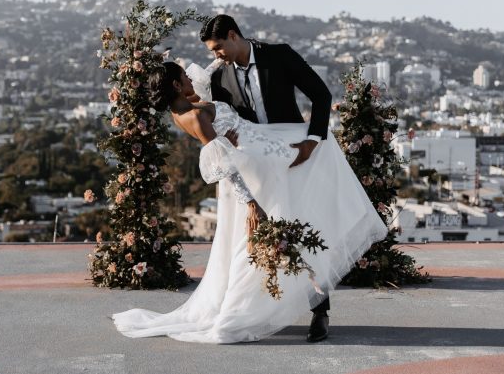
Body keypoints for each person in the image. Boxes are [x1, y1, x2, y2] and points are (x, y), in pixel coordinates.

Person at [110, 60, 388, 344]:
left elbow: (205, 91)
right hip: (253, 174)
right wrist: (252, 203)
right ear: (176, 86)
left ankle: (288, 299)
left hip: (261, 148)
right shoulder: (194, 116)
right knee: (261, 236)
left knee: (318, 152)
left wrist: (224, 58)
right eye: (184, 76)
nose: (190, 78)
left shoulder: (182, 108)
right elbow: (224, 164)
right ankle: (239, 314)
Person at [202, 14, 332, 340]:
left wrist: (312, 141)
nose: (216, 55)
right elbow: (226, 124)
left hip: (295, 158)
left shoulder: (280, 55)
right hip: (255, 166)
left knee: (301, 232)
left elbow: (321, 95)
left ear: (234, 35)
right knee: (256, 238)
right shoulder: (219, 79)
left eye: (218, 47)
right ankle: (259, 310)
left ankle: (320, 312)